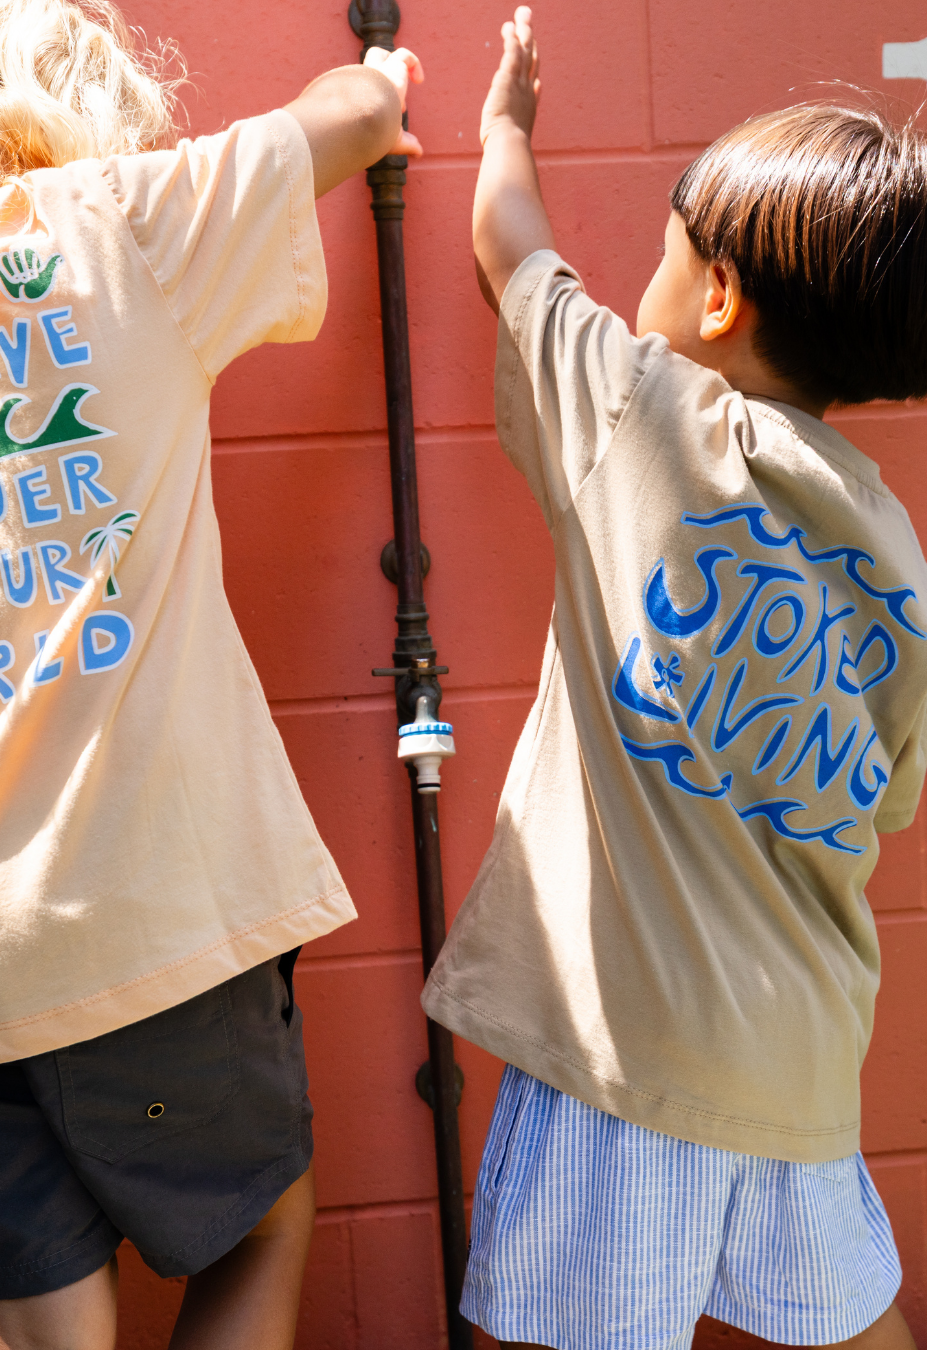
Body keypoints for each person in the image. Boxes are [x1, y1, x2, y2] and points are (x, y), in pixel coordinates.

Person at [421, 9, 927, 1349]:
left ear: (718, 297)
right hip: (800, 1057)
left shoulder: (635, 409)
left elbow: (509, 246)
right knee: (846, 1321)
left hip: (628, 1045)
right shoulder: (903, 571)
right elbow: (883, 801)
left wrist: (505, 124)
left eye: (667, 256)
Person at [0, 2, 423, 1347]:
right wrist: (389, 73)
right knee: (259, 1229)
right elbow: (350, 116)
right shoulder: (119, 221)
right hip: (143, 905)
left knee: (46, 1321)